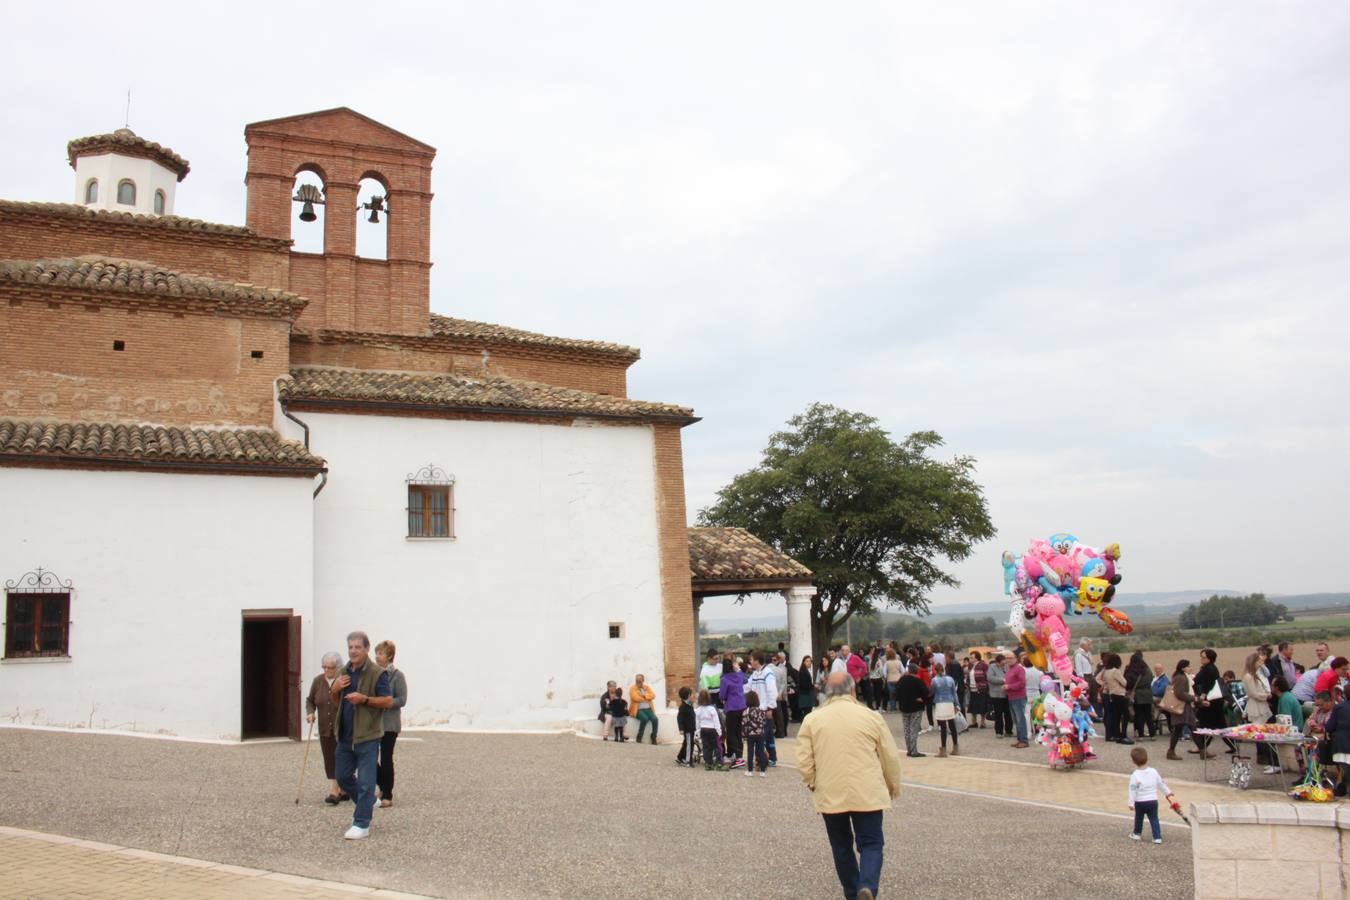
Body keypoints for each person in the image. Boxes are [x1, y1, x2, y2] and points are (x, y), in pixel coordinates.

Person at [796, 672, 902, 900]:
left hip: (830, 791)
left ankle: (853, 893)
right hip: (868, 789)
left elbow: (804, 760)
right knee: (872, 843)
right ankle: (868, 885)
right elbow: (889, 756)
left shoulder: (812, 720)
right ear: (853, 690)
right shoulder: (871, 717)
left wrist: (813, 782)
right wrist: (892, 785)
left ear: (826, 692)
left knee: (841, 845)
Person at [331, 631, 394, 840]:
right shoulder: (344, 671)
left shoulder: (377, 673)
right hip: (345, 736)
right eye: (350, 647)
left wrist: (364, 699)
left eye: (358, 647)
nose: (353, 651)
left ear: (367, 649)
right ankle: (367, 801)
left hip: (368, 736)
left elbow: (387, 701)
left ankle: (361, 824)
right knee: (342, 776)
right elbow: (335, 700)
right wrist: (334, 688)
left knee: (367, 782)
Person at [373, 640, 407, 809]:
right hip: (373, 723)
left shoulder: (397, 676)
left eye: (380, 653)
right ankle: (382, 785)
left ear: (390, 656)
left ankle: (387, 794)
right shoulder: (373, 674)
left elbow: (402, 699)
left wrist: (388, 703)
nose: (377, 656)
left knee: (386, 758)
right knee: (370, 757)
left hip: (389, 724)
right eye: (376, 653)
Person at [306, 651, 344, 804]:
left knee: (342, 757)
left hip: (342, 727)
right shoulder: (317, 681)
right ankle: (339, 788)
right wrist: (310, 713)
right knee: (329, 757)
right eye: (324, 667)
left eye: (331, 668)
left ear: (338, 667)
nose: (327, 670)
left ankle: (338, 789)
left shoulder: (343, 681)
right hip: (324, 728)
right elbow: (310, 701)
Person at [1127, 747, 1175, 845]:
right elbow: (1160, 783)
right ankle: (1157, 837)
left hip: (1140, 802)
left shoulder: (1135, 775)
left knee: (1139, 818)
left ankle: (1137, 833)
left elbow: (1132, 790)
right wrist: (1167, 792)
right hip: (1153, 801)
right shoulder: (1154, 771)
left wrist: (1131, 803)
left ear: (1133, 761)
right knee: (1154, 818)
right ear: (1147, 758)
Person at [1192, 649, 1232, 757]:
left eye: (1203, 657)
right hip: (1214, 701)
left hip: (1211, 702)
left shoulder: (1209, 669)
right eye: (1201, 656)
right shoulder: (1209, 668)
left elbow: (1208, 684)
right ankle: (1232, 746)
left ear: (1209, 658)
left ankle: (1202, 747)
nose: (1201, 659)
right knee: (1218, 726)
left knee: (1207, 725)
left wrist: (1203, 694)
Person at [747, 652, 780, 765]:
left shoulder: (768, 673)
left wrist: (770, 708)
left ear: (757, 660)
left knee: (761, 735)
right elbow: (747, 687)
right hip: (758, 709)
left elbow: (772, 691)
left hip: (765, 709)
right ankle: (772, 758)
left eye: (751, 659)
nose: (750, 662)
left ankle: (760, 759)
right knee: (769, 735)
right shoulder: (755, 673)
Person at [1162, 660, 1198, 761]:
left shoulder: (1182, 677)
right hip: (1181, 706)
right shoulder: (1181, 678)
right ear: (1183, 668)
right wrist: (1194, 698)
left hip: (1184, 706)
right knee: (1183, 728)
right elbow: (1180, 693)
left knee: (1190, 727)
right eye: (1188, 666)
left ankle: (1203, 750)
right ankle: (1171, 751)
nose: (1190, 667)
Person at [1268, 676, 1304, 776]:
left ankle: (1277, 763)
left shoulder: (1285, 699)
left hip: (1295, 729)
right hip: (1295, 726)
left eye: (1272, 685)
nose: (1271, 687)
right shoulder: (1286, 696)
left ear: (1277, 688)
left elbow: (1284, 720)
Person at [1097, 653, 1132, 745]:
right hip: (1120, 694)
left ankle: (1117, 734)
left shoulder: (1106, 672)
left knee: (1116, 716)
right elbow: (1124, 683)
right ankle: (1123, 735)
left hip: (1112, 694)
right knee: (1125, 715)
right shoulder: (1115, 671)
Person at [895, 663, 929, 758]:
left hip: (904, 707)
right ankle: (913, 751)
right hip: (916, 708)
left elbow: (896, 693)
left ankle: (909, 749)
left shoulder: (901, 680)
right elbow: (926, 693)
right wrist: (922, 699)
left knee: (906, 729)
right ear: (916, 671)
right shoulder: (918, 681)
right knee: (913, 729)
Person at [720, 657, 747, 766]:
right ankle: (738, 754)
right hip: (741, 706)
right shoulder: (739, 676)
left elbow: (722, 695)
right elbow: (746, 680)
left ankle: (738, 756)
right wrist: (738, 670)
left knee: (730, 733)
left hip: (731, 707)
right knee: (738, 731)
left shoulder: (724, 679)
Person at [930, 661, 960, 757]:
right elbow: (954, 693)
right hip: (949, 703)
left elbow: (932, 692)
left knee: (943, 727)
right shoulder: (950, 679)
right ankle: (956, 747)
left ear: (935, 670)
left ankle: (943, 749)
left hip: (940, 703)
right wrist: (957, 704)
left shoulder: (934, 680)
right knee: (952, 725)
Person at [1324, 692, 1350, 797]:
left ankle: (1341, 787)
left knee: (1344, 767)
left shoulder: (1339, 707)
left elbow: (1329, 727)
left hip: (1342, 745)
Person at [1125, 651, 1155, 740]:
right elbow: (1151, 678)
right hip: (1148, 693)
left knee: (1139, 715)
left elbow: (1128, 684)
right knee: (1148, 715)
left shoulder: (1131, 671)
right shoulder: (1147, 669)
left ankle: (1141, 735)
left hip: (1138, 694)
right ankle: (1152, 734)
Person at [694, 689, 725, 771]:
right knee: (717, 747)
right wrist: (719, 731)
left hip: (703, 730)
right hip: (712, 730)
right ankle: (719, 763)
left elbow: (697, 722)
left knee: (706, 747)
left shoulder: (698, 710)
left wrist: (698, 732)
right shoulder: (712, 709)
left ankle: (708, 763)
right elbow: (716, 721)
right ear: (709, 698)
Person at [743, 690, 770, 777]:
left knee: (750, 752)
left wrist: (743, 735)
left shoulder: (747, 711)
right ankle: (762, 771)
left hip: (751, 734)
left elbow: (744, 723)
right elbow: (764, 722)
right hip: (760, 733)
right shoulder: (761, 711)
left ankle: (750, 770)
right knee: (761, 752)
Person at [1005, 654, 1029, 748]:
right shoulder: (1010, 669)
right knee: (1016, 720)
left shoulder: (1019, 669)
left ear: (1015, 659)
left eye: (1010, 658)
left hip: (1019, 697)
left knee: (1020, 719)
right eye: (1007, 658)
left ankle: (1024, 740)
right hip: (1011, 697)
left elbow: (1022, 683)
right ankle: (1020, 739)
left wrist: (1009, 686)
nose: (1008, 660)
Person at [629, 674, 658, 745]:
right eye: (636, 680)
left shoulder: (647, 687)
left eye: (639, 680)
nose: (638, 681)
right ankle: (639, 737)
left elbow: (653, 695)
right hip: (638, 710)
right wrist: (647, 698)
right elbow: (634, 697)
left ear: (643, 680)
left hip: (648, 709)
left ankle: (653, 737)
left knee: (655, 719)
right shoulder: (632, 688)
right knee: (645, 718)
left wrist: (644, 695)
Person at [987, 653, 1010, 738]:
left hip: (1007, 694)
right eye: (1002, 663)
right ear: (997, 662)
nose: (1003, 665)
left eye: (1004, 663)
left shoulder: (1007, 666)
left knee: (1008, 713)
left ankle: (1009, 730)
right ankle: (999, 731)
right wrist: (1003, 680)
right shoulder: (992, 667)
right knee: (998, 714)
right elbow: (990, 678)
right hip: (996, 695)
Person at [676, 686, 697, 766]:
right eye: (691, 694)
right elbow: (679, 718)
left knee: (686, 743)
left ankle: (680, 757)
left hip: (691, 728)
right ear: (688, 696)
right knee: (689, 745)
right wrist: (681, 729)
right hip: (688, 729)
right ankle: (688, 761)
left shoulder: (689, 704)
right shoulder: (683, 707)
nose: (693, 696)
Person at [772, 652, 791, 737]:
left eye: (775, 659)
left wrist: (782, 694)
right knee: (777, 714)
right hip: (775, 693)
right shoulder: (771, 667)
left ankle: (782, 731)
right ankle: (779, 731)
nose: (773, 661)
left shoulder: (783, 668)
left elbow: (784, 682)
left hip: (781, 694)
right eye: (772, 660)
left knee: (782, 714)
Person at [970, 651, 989, 728]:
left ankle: (983, 722)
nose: (970, 659)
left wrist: (986, 685)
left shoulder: (983, 665)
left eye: (972, 657)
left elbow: (987, 676)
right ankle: (974, 722)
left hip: (981, 688)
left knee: (982, 705)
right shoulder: (970, 666)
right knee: (973, 706)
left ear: (976, 658)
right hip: (972, 688)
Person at [883, 647, 903, 712]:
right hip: (898, 680)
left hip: (890, 680)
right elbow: (903, 671)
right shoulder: (899, 662)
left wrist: (886, 677)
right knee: (900, 695)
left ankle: (893, 708)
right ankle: (901, 707)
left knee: (892, 696)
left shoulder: (887, 663)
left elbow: (884, 673)